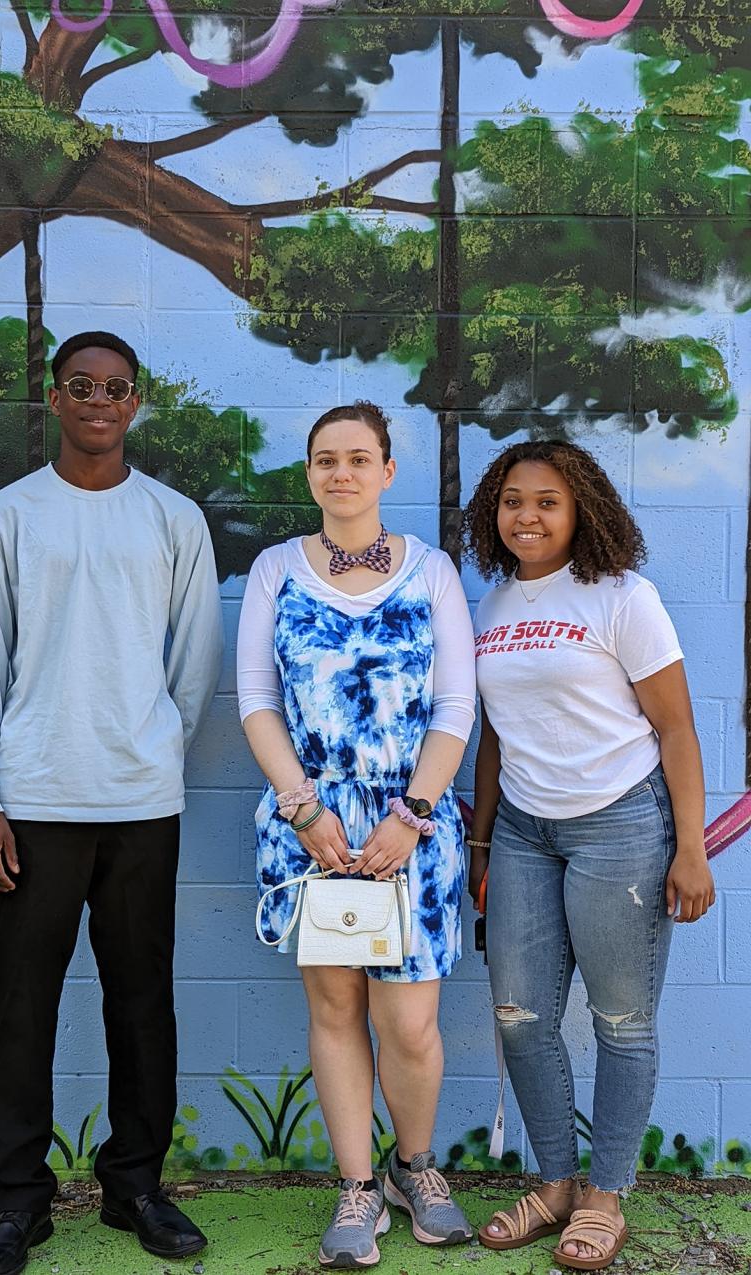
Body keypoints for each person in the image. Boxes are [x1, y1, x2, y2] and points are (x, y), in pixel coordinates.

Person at [0, 331, 223, 1275]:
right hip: (31, 804)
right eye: (82, 385)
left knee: (142, 999)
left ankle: (135, 1186)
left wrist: (149, 747)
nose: (99, 400)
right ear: (55, 399)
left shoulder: (173, 518)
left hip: (143, 802)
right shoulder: (8, 516)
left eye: (116, 388)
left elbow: (193, 668)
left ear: (135, 404)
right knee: (20, 1007)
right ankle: (17, 1204)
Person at [464, 440, 715, 1272]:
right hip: (528, 834)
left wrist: (690, 848)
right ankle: (558, 1183)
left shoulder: (622, 596)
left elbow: (676, 729)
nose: (526, 516)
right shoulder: (493, 607)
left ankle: (606, 1192)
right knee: (521, 1018)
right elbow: (494, 735)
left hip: (621, 826)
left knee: (621, 1021)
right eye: (511, 501)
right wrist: (484, 839)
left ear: (582, 511)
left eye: (546, 501)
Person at [237, 402, 477, 1269]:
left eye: (358, 458)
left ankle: (417, 1167)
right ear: (310, 473)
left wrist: (411, 815)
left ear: (386, 471)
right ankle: (356, 1185)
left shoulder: (432, 571)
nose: (341, 473)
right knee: (335, 1008)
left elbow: (457, 706)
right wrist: (303, 810)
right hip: (315, 829)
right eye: (325, 460)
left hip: (411, 826)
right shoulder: (275, 571)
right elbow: (257, 701)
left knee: (409, 1022)